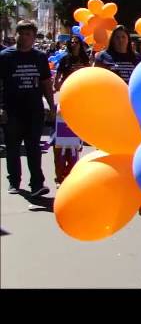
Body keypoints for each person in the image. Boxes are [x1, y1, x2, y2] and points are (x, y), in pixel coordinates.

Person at [0, 20, 56, 196]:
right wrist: (1, 108)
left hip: (34, 110)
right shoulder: (5, 57)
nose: (24, 37)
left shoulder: (39, 57)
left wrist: (51, 105)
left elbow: (46, 83)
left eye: (28, 34)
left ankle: (37, 184)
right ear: (16, 34)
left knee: (34, 148)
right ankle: (14, 181)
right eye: (21, 33)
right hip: (12, 110)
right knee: (13, 148)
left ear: (33, 38)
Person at [52, 35, 90, 185]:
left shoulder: (85, 60)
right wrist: (60, 83)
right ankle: (60, 173)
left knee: (75, 142)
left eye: (76, 42)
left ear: (80, 45)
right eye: (72, 42)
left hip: (80, 105)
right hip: (66, 103)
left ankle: (72, 171)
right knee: (62, 141)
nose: (74, 45)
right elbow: (57, 82)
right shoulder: (64, 60)